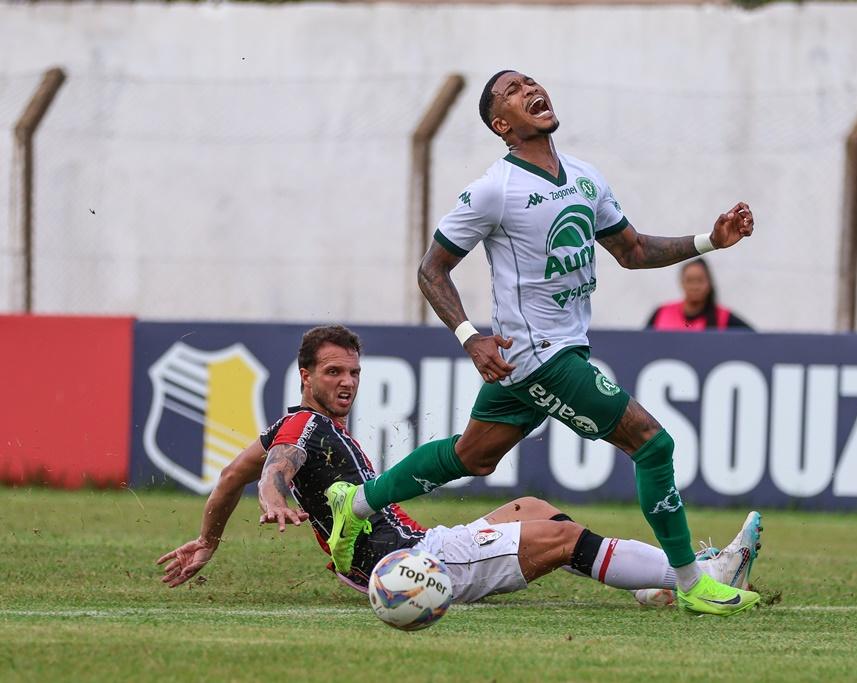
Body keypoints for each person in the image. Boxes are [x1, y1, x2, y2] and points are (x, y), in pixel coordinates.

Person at [324, 70, 760, 616]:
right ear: (502, 124)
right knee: (653, 444)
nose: (530, 88)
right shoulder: (493, 190)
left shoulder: (585, 178)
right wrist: (469, 338)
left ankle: (356, 502)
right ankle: (693, 583)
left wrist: (709, 241)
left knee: (472, 456)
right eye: (512, 90)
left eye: (531, 81)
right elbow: (432, 271)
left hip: (541, 357)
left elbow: (633, 250)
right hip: (539, 358)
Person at [156, 325, 763, 608]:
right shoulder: (304, 427)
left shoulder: (310, 426)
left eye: (354, 372)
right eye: (333, 372)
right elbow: (271, 467)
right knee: (563, 537)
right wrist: (273, 490)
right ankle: (702, 573)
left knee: (530, 509)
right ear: (305, 376)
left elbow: (234, 469)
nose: (346, 383)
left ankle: (655, 584)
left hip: (414, 542)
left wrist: (209, 539)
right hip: (404, 566)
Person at [647, 258, 753, 331]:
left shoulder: (724, 317)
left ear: (709, 283)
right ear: (681, 283)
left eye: (700, 280)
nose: (695, 286)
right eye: (690, 280)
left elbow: (755, 340)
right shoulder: (661, 313)